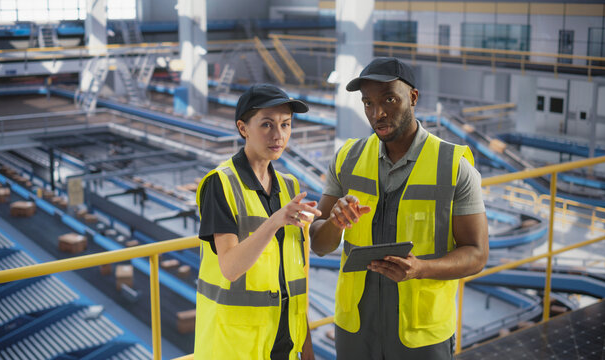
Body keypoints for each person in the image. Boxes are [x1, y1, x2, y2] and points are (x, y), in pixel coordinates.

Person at [309, 57, 489, 359]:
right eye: (368, 103)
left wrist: (421, 269)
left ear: (413, 97)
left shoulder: (453, 166)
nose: (377, 113)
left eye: (389, 99)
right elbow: (318, 244)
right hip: (356, 328)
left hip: (421, 335)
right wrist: (334, 224)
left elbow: (477, 254)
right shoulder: (348, 159)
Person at [195, 84, 321, 360]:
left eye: (286, 124)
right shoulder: (221, 184)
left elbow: (294, 279)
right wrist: (274, 221)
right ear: (243, 128)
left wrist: (307, 350)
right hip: (235, 347)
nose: (279, 135)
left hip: (284, 343)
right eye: (267, 124)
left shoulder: (289, 186)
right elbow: (229, 267)